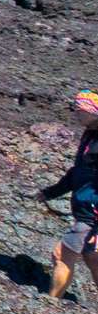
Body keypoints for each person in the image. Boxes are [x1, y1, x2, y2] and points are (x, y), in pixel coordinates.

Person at [38, 90, 98, 298]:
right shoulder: (89, 135)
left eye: (80, 110)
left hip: (92, 215)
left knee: (62, 255)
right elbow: (77, 173)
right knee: (92, 259)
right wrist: (50, 193)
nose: (76, 114)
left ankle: (52, 304)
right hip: (86, 210)